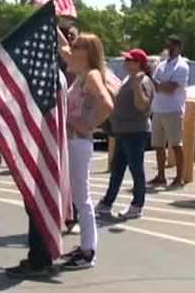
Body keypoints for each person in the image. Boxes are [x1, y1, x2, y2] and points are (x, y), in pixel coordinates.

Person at [56, 32, 114, 270]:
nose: (72, 48)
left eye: (78, 46)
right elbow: (63, 49)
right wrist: (53, 18)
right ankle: (85, 246)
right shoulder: (81, 73)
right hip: (74, 141)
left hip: (79, 141)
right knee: (77, 197)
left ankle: (88, 251)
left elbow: (107, 104)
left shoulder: (90, 75)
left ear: (88, 52)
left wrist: (86, 124)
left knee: (82, 197)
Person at [97, 48, 154, 220]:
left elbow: (142, 106)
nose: (126, 63)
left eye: (130, 60)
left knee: (136, 169)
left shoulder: (143, 81)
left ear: (139, 63)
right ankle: (107, 203)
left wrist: (137, 86)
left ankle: (137, 205)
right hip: (122, 131)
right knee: (117, 169)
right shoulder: (128, 78)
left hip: (135, 132)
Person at [149, 35, 189, 188]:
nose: (169, 49)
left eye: (172, 46)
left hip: (173, 110)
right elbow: (154, 83)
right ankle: (160, 176)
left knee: (176, 145)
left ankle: (179, 177)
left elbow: (171, 88)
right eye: (168, 46)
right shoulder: (162, 64)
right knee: (158, 145)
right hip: (158, 109)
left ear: (178, 47)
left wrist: (160, 85)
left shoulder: (182, 66)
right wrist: (160, 85)